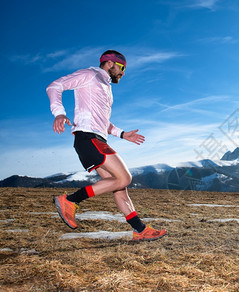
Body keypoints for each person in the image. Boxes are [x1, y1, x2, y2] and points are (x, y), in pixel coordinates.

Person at [47, 50, 167, 241]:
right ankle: (70, 200)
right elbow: (55, 86)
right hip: (88, 138)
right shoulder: (90, 74)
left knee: (119, 186)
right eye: (122, 68)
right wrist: (59, 113)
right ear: (110, 63)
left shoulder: (105, 86)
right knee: (124, 178)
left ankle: (140, 230)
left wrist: (121, 134)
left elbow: (103, 121)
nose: (123, 73)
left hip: (96, 139)